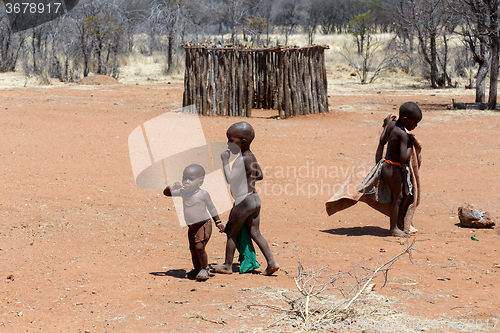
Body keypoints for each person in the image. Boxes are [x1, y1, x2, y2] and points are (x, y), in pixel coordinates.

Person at [214, 122, 279, 276]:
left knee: (231, 232)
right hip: (254, 198)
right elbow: (260, 175)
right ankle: (271, 262)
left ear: (242, 142)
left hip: (243, 201)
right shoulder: (251, 156)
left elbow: (229, 179)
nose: (228, 143)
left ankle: (227, 265)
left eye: (231, 140)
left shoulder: (240, 160)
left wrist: (224, 160)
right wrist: (247, 178)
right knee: (255, 232)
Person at [163, 164, 224, 281]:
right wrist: (172, 186)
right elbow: (166, 193)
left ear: (200, 182)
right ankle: (197, 269)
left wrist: (218, 222)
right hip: (191, 227)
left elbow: (212, 208)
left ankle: (205, 268)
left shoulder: (203, 194)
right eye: (184, 178)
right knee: (193, 249)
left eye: (190, 179)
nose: (186, 181)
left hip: (203, 225)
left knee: (199, 247)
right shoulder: (183, 192)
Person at [372, 102, 422, 236]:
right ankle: (393, 228)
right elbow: (403, 157)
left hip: (386, 166)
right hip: (394, 169)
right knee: (398, 198)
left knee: (407, 194)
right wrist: (410, 144)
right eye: (415, 123)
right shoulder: (403, 135)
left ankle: (400, 223)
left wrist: (378, 163)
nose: (415, 126)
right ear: (405, 120)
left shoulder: (391, 126)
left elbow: (382, 141)